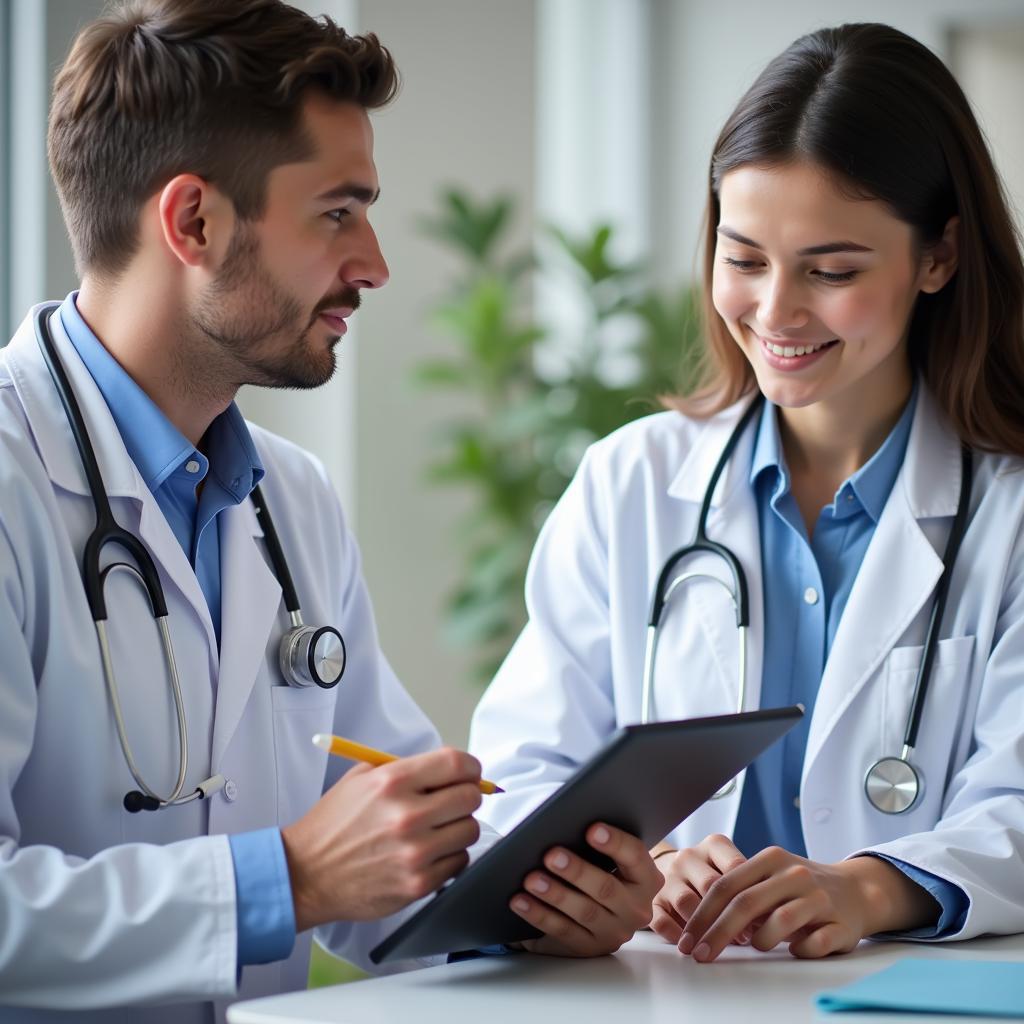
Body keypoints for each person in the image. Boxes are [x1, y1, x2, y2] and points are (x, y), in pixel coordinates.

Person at [0, 2, 662, 1019]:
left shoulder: (287, 499)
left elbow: (390, 862)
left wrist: (534, 903)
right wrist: (289, 880)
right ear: (193, 222)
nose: (375, 263)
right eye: (337, 212)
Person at [470, 22, 1024, 963]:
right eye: (745, 258)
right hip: (661, 992)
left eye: (832, 270)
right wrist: (628, 874)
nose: (775, 312)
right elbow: (523, 777)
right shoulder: (632, 483)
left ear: (939, 257)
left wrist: (865, 886)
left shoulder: (1007, 513)